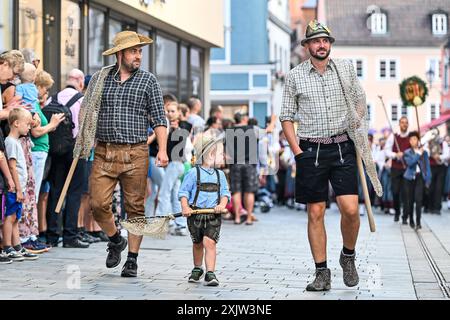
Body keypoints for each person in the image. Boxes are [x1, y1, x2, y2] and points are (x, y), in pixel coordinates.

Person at [280, 20, 379, 291]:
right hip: (310, 150)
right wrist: (297, 152)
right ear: (307, 46)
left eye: (325, 40)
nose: (321, 45)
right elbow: (286, 117)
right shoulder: (295, 76)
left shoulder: (345, 69)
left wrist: (355, 120)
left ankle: (348, 256)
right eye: (315, 41)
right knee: (315, 212)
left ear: (329, 44)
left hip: (342, 147)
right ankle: (322, 272)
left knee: (350, 210)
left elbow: (360, 99)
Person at [83, 31, 168, 277]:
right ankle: (115, 239)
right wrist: (83, 141)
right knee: (97, 204)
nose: (138, 56)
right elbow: (87, 112)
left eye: (140, 51)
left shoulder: (148, 80)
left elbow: (159, 118)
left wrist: (162, 149)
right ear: (120, 54)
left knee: (135, 209)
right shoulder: (100, 79)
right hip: (104, 152)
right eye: (133, 51)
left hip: (136, 152)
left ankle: (132, 259)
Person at [179, 134, 230, 286]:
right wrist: (185, 207)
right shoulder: (193, 173)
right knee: (197, 243)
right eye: (221, 154)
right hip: (195, 215)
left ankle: (210, 272)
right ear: (211, 155)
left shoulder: (220, 175)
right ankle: (197, 268)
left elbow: (225, 194)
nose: (224, 157)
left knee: (210, 242)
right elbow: (183, 193)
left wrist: (222, 205)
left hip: (213, 215)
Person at [45, 69, 88, 249]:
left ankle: (52, 235)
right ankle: (70, 236)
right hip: (75, 150)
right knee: (74, 192)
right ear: (79, 81)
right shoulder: (81, 99)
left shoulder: (51, 99)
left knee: (55, 190)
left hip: (55, 150)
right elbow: (86, 127)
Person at [2, 108, 38, 261]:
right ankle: (6, 247)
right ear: (16, 123)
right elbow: (12, 167)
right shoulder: (10, 142)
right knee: (9, 217)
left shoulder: (16, 142)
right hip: (14, 189)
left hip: (20, 188)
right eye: (27, 124)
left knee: (16, 217)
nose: (29, 127)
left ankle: (17, 246)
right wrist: (17, 189)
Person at [155, 101, 188, 235]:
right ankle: (180, 226)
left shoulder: (183, 126)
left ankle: (160, 224)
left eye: (173, 111)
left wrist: (174, 128)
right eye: (168, 111)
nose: (169, 113)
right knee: (175, 195)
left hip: (176, 164)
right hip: (176, 164)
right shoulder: (170, 126)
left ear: (179, 113)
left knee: (164, 193)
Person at [403, 131, 431, 230]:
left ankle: (418, 221)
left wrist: (428, 180)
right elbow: (410, 163)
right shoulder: (407, 152)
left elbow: (427, 167)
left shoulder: (425, 152)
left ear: (418, 140)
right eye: (411, 139)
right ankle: (411, 219)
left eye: (415, 139)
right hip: (409, 178)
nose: (413, 141)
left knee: (419, 200)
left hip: (419, 178)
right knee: (410, 200)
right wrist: (418, 154)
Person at [385, 117, 410, 223]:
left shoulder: (411, 137)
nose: (404, 125)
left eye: (406, 123)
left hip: (407, 169)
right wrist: (395, 155)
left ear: (408, 124)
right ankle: (397, 212)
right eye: (402, 123)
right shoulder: (393, 137)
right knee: (395, 192)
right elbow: (386, 151)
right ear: (399, 124)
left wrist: (406, 155)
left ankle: (405, 217)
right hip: (395, 168)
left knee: (406, 193)